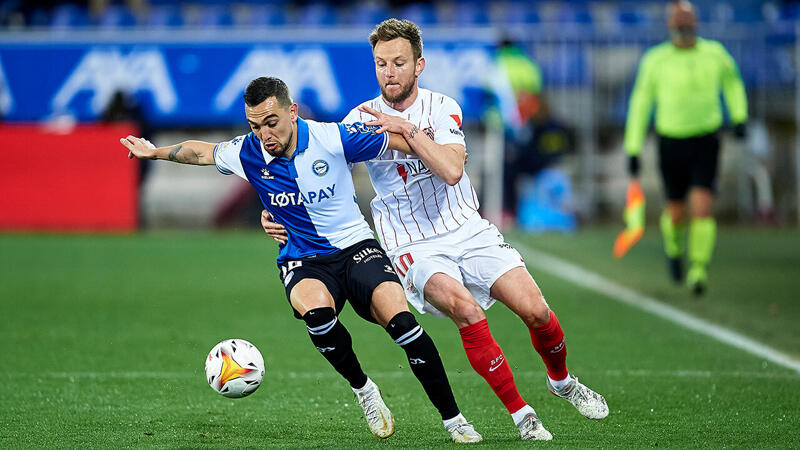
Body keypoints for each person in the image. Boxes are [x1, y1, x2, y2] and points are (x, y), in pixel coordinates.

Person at [262, 19, 608, 441]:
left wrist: (405, 131)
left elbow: (450, 169)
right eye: (381, 63)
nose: (389, 72)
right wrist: (281, 212)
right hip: (410, 242)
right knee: (466, 310)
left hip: (465, 227)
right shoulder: (360, 119)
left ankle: (562, 381)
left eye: (399, 62)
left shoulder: (442, 108)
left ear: (419, 65)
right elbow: (315, 167)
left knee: (536, 311)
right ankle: (522, 415)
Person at [119, 76, 482, 443]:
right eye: (255, 126)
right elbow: (201, 152)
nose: (264, 134)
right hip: (303, 259)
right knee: (318, 315)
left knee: (403, 325)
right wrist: (155, 151)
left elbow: (398, 141)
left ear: (292, 112)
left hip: (356, 247)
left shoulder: (333, 137)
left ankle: (454, 420)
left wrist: (447, 153)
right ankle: (364, 391)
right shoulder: (247, 152)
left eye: (271, 122)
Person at [623, 0, 748, 294]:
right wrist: (633, 147)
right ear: (670, 27)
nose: (683, 31)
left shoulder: (715, 54)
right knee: (676, 211)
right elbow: (641, 104)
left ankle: (699, 270)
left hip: (706, 139)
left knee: (703, 205)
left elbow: (733, 84)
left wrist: (739, 116)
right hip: (671, 142)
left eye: (687, 25)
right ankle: (675, 249)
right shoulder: (656, 60)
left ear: (696, 26)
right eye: (678, 25)